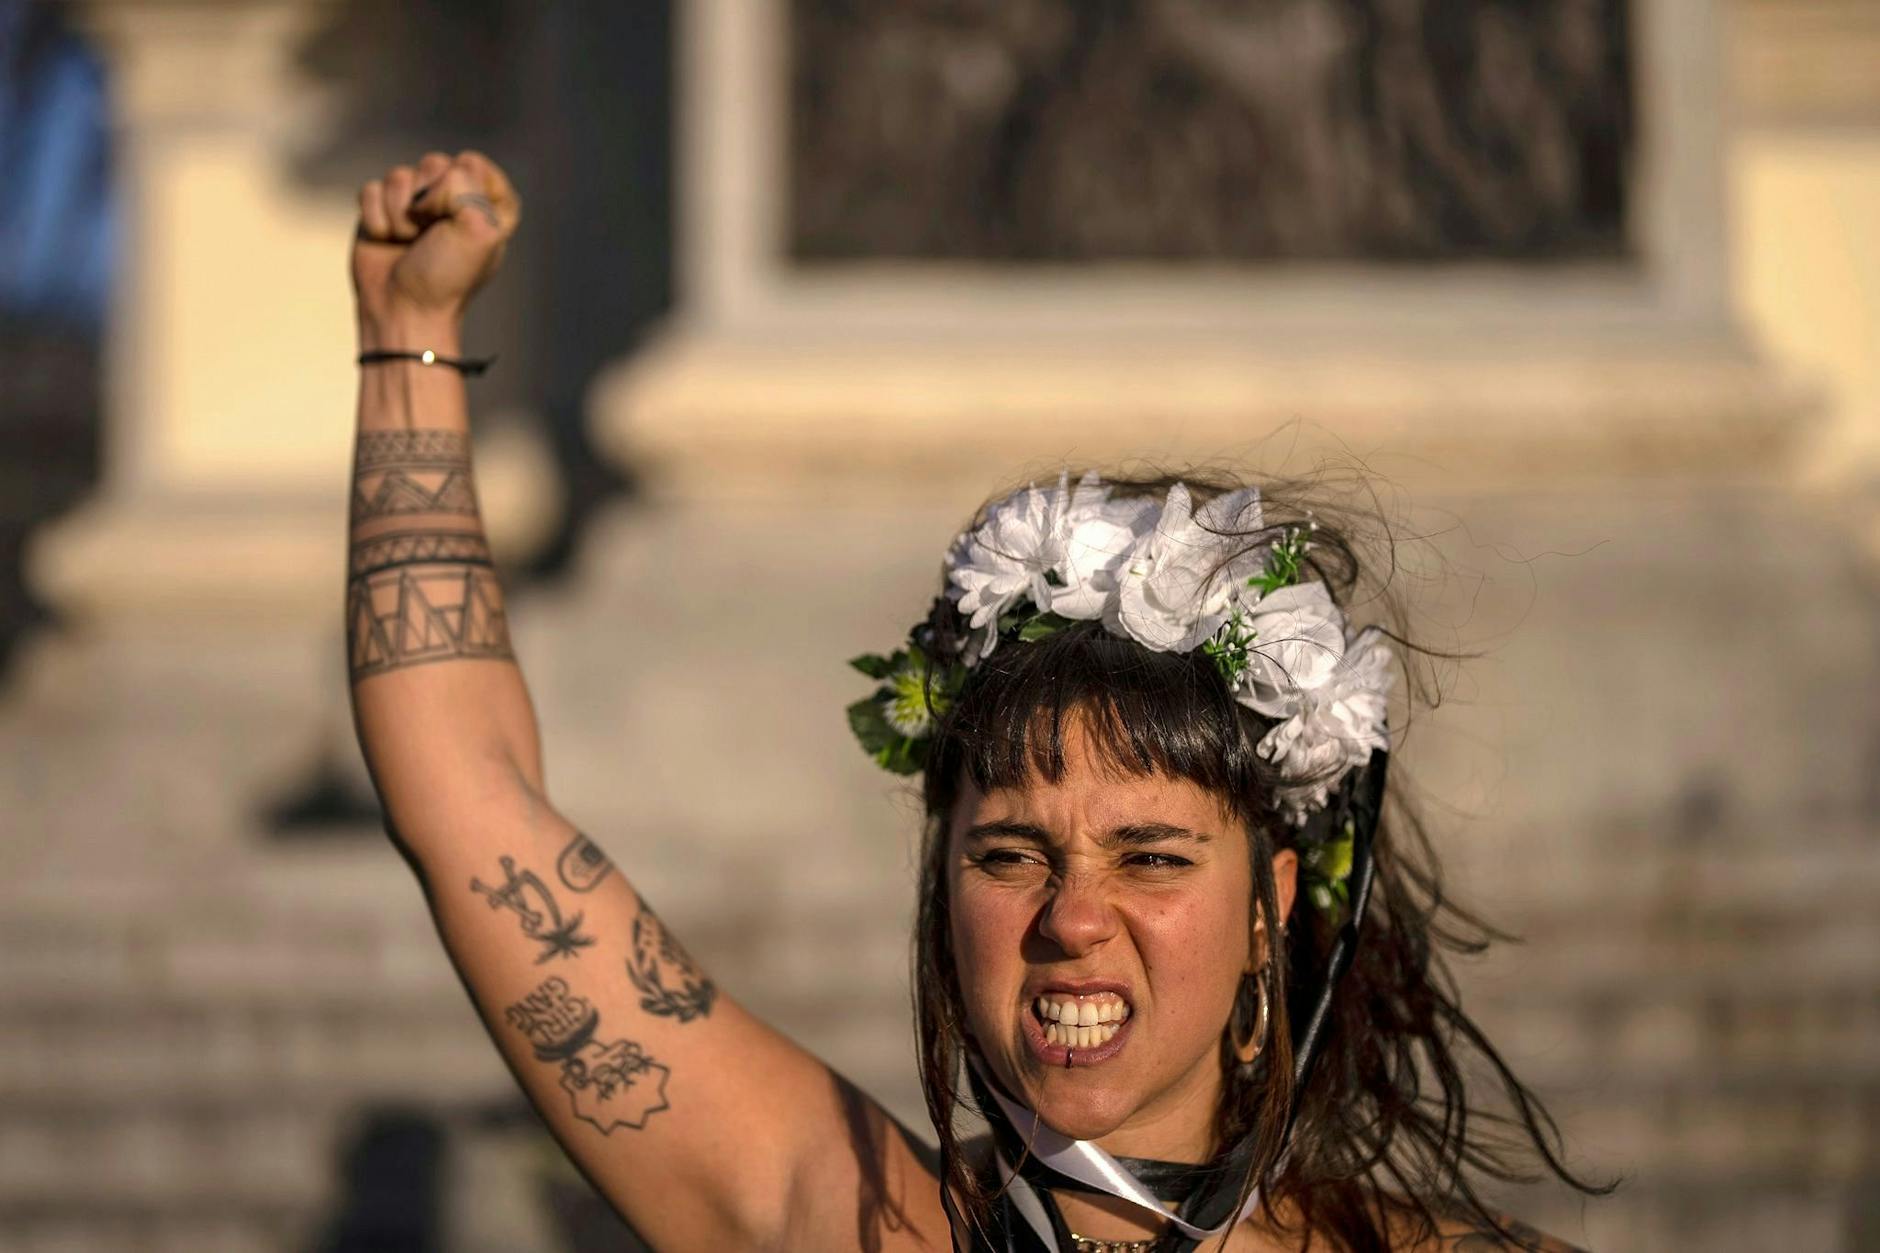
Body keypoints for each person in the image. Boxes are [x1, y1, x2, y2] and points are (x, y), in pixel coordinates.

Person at [346, 151, 1603, 1251]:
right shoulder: (829, 1216)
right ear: (942, 874)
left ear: (1268, 900)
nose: (1072, 918)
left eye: (1150, 853)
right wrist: (410, 337)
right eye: (1011, 851)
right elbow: (466, 796)